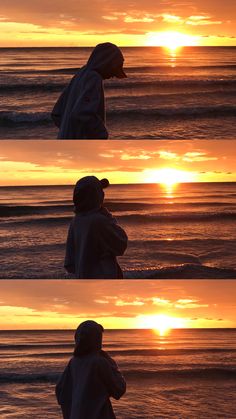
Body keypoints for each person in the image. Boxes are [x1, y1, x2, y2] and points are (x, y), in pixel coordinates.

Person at [51, 43, 127, 139]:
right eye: (114, 69)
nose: (113, 75)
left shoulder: (81, 73)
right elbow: (83, 113)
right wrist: (102, 135)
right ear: (106, 62)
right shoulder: (94, 78)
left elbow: (57, 113)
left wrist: (68, 129)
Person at [56, 320, 126, 419]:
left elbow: (61, 391)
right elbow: (119, 389)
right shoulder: (99, 362)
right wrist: (111, 362)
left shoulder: (74, 362)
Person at [64, 176, 128, 278]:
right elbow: (121, 244)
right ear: (95, 195)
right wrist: (106, 215)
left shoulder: (75, 221)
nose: (103, 194)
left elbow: (70, 265)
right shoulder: (98, 220)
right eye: (100, 191)